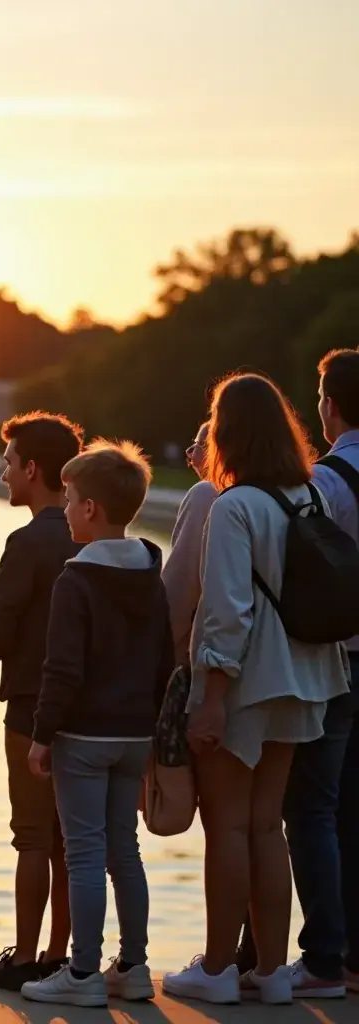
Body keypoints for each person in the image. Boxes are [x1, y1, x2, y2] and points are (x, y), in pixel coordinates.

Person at [163, 373, 349, 1006]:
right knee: (269, 825)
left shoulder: (233, 505)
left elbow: (225, 613)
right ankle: (272, 969)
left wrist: (208, 698)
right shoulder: (308, 496)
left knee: (228, 827)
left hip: (244, 683)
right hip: (304, 681)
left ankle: (217, 966)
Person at [20, 441, 172, 1008]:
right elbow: (163, 658)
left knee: (83, 853)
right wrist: (154, 729)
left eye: (71, 498)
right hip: (136, 732)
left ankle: (82, 973)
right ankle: (132, 965)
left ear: (90, 510)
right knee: (123, 851)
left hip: (82, 735)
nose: (64, 507)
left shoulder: (76, 580)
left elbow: (62, 670)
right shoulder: (148, 574)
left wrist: (41, 736)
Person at [0, 413, 83, 990]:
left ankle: (23, 959)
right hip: (90, 710)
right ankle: (61, 955)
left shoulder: (27, 541)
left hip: (31, 705)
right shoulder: (91, 531)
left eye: (10, 463)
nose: (4, 474)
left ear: (33, 469)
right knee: (75, 839)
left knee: (33, 838)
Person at [300, 349, 359, 994]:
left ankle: (322, 957)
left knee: (315, 806)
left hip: (339, 662)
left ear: (331, 403)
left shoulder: (329, 479)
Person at [162, 421, 218, 667]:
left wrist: (157, 648)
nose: (189, 452)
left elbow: (181, 585)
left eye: (196, 445)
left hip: (208, 658)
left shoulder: (205, 494)